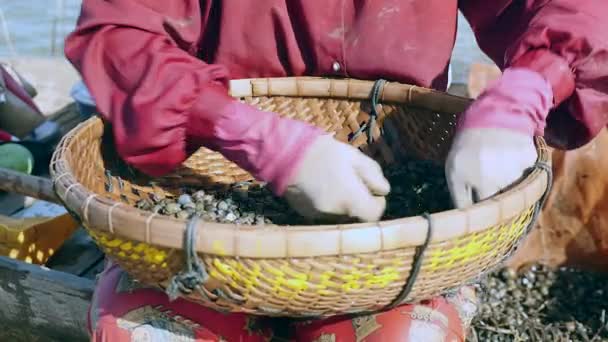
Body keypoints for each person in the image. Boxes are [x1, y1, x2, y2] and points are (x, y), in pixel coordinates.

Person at [64, 1, 608, 340]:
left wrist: (527, 89)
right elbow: (118, 34)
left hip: (390, 223)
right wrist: (253, 136)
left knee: (407, 337)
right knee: (144, 334)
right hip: (215, 185)